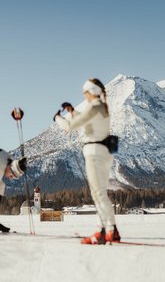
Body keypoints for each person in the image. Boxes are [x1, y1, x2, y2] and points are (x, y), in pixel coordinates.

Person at [53, 78, 121, 244]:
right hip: (105, 152)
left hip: (94, 152)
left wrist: (57, 119)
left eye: (85, 93)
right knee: (102, 192)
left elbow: (70, 126)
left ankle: (101, 231)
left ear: (91, 92)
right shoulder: (102, 106)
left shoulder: (94, 106)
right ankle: (112, 229)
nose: (85, 96)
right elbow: (88, 122)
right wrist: (72, 111)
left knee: (97, 194)